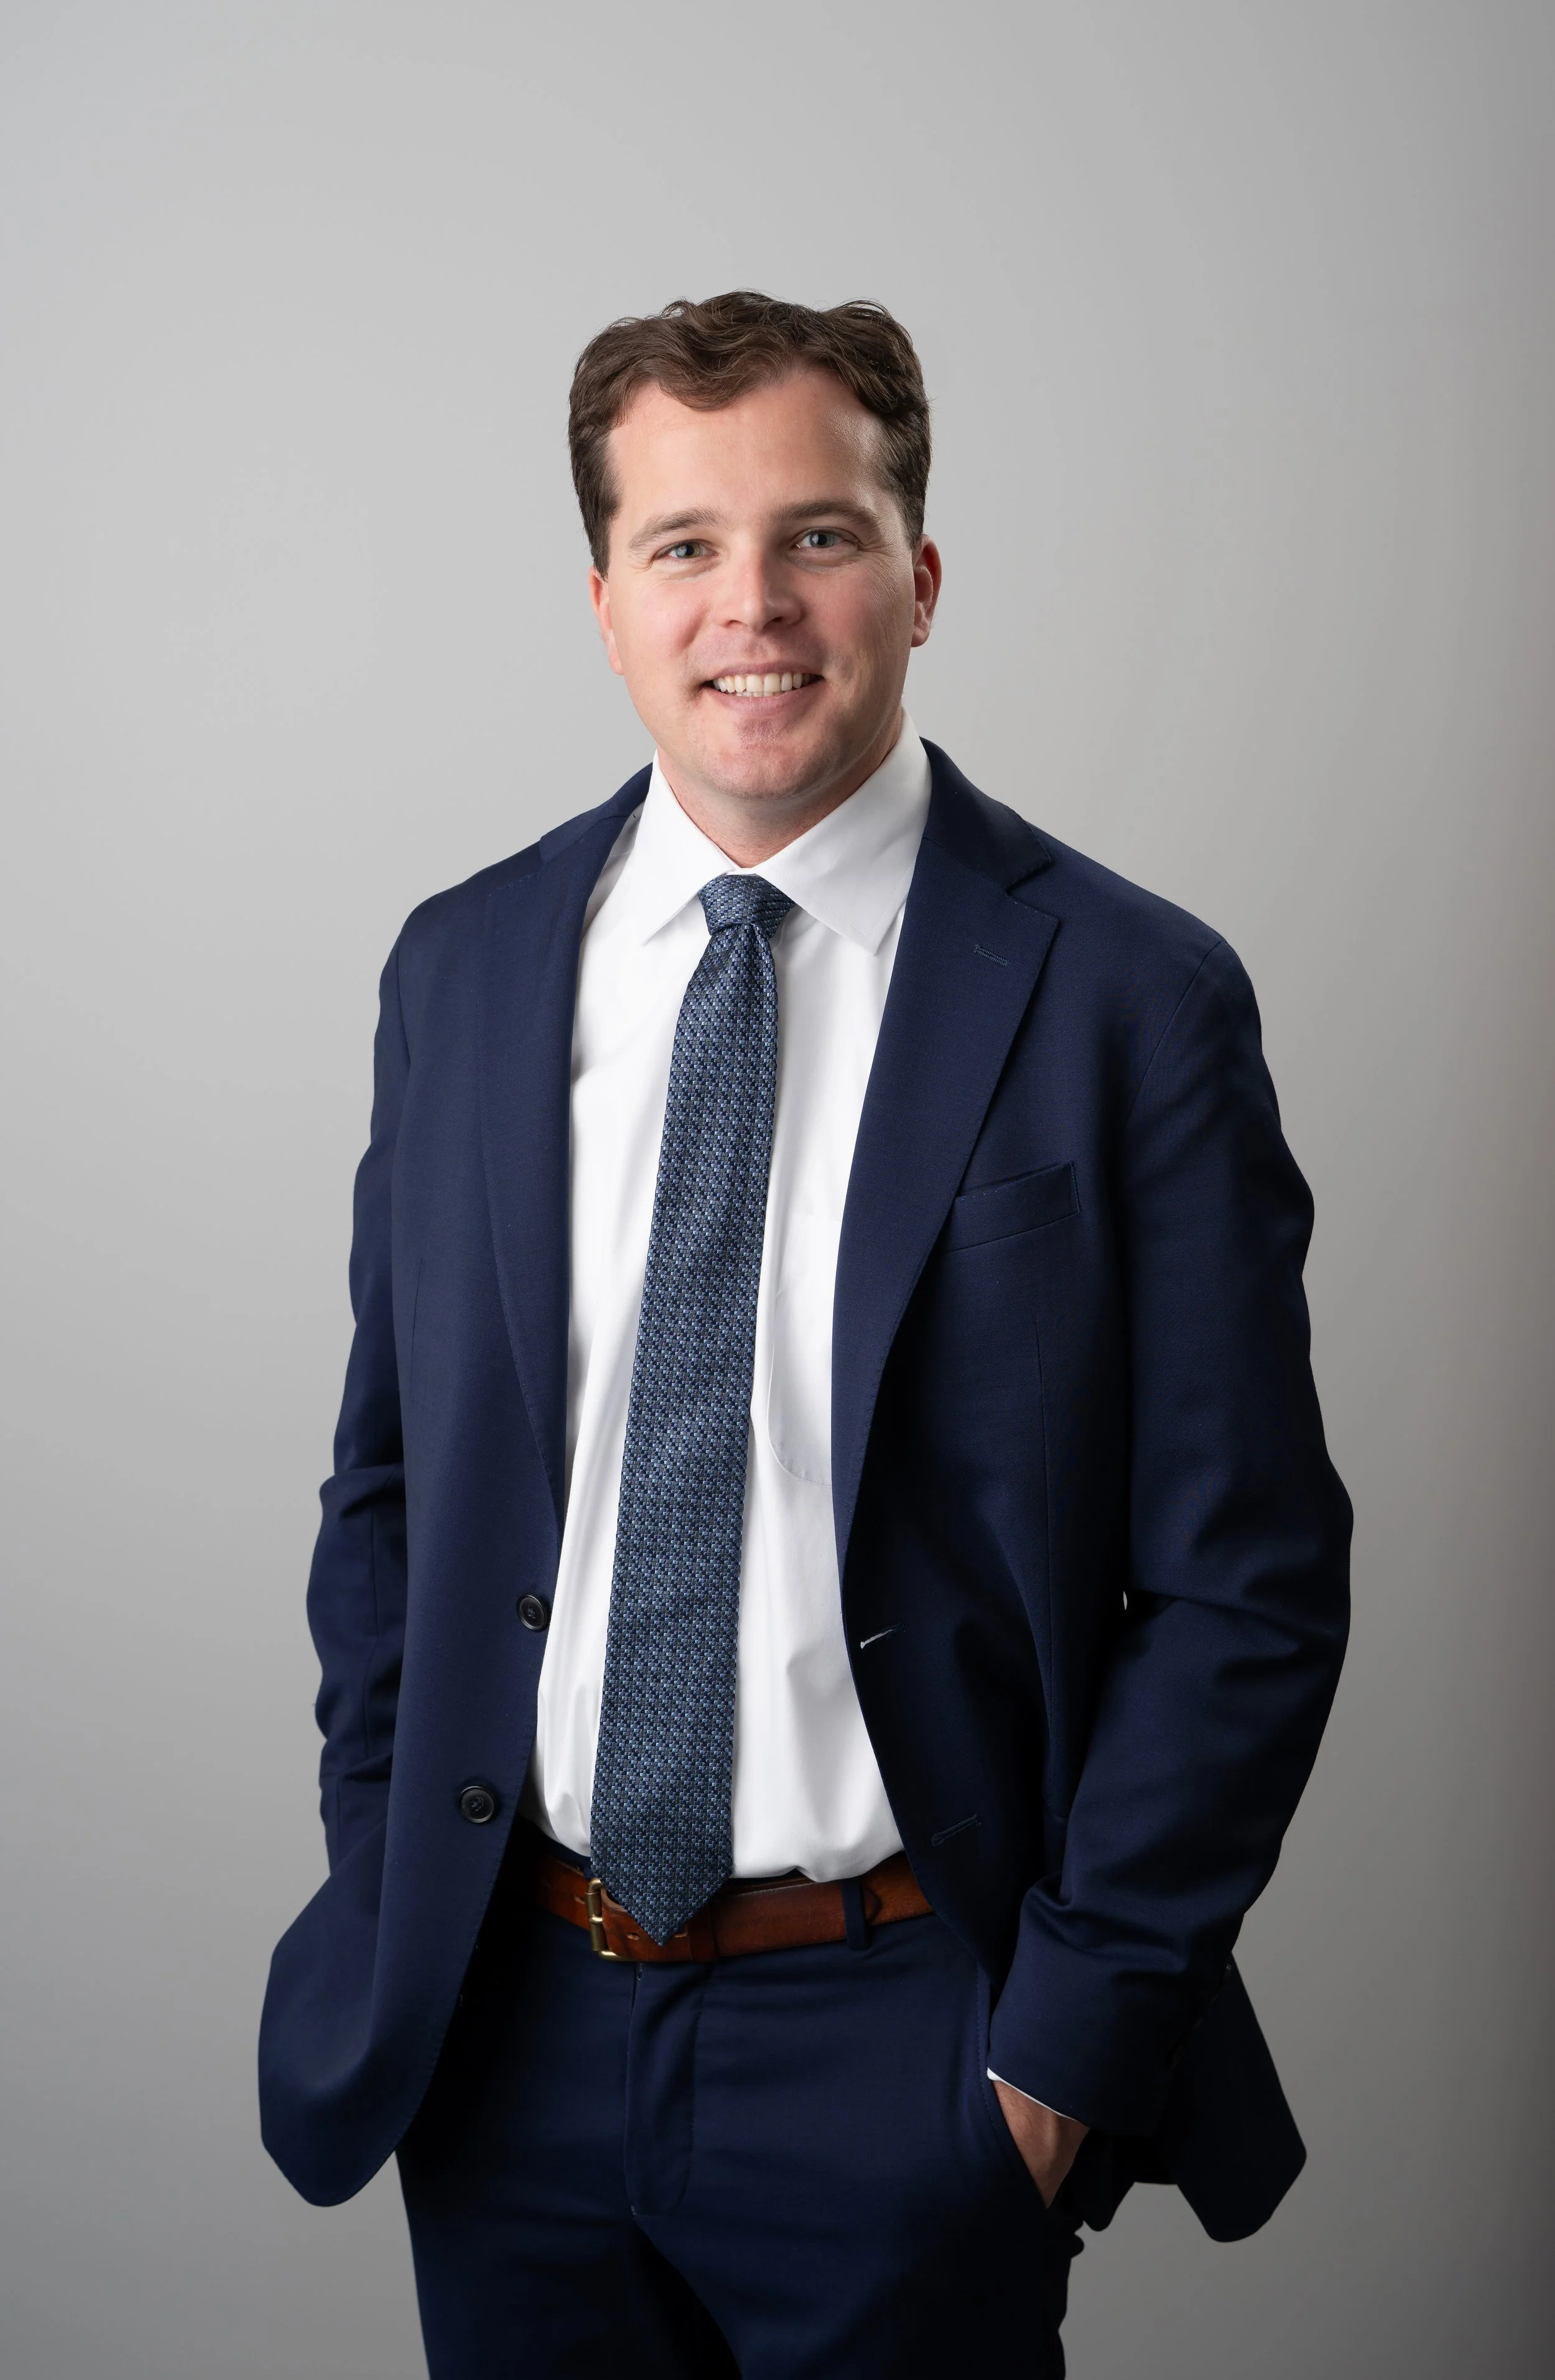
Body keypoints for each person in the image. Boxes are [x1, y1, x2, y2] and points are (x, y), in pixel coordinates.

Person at [259, 292, 1352, 2378]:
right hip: (508, 2033)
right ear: (604, 602)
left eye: (818, 535)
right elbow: (388, 1494)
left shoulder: (1126, 998)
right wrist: (387, 1892)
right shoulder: (463, 972)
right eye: (682, 544)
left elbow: (1249, 1582)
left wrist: (1055, 2059)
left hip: (910, 2040)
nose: (749, 603)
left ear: (917, 579)